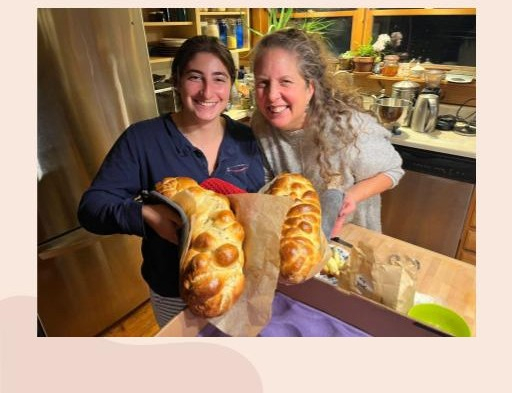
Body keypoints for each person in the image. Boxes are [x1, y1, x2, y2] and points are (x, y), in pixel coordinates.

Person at [78, 35, 265, 327]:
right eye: (195, 77)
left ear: (231, 84)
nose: (207, 91)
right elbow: (92, 207)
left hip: (241, 286)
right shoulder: (144, 140)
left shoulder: (248, 139)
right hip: (174, 293)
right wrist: (148, 215)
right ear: (177, 81)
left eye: (219, 79)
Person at [250, 28, 404, 234]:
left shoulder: (351, 128)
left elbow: (392, 171)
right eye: (263, 83)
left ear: (310, 87)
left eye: (286, 81)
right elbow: (271, 179)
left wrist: (352, 196)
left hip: (352, 235)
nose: (271, 96)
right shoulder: (261, 125)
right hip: (300, 236)